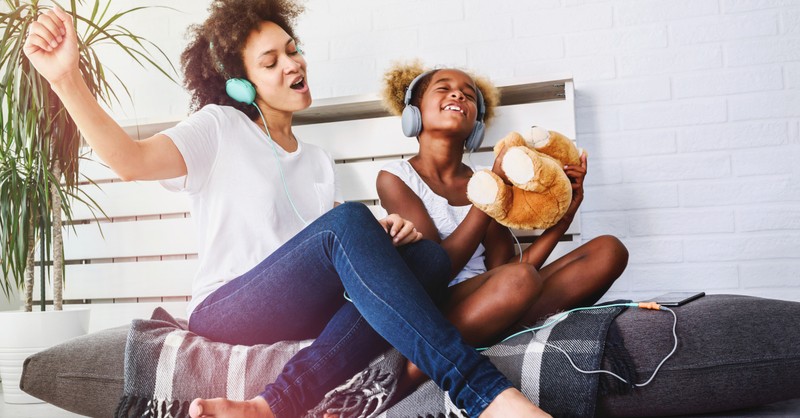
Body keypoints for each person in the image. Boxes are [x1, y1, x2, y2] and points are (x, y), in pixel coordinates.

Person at [23, 1, 553, 417]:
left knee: (430, 261)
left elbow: (323, 243)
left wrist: (382, 232)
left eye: (292, 50)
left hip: (298, 306)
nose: (293, 64)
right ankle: (484, 393)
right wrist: (66, 78)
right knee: (349, 224)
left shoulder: (318, 160)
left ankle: (274, 405)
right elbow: (130, 161)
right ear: (240, 82)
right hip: (228, 308)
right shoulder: (218, 127)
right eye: (270, 61)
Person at [377, 63, 629, 390]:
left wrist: (564, 217)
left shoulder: (485, 176)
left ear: (477, 126)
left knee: (608, 250)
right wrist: (491, 190)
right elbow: (435, 268)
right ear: (414, 113)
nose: (458, 94)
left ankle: (481, 335)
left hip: (500, 296)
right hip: (438, 308)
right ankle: (426, 357)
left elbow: (509, 267)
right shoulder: (395, 177)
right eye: (444, 88)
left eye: (468, 95)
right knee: (519, 281)